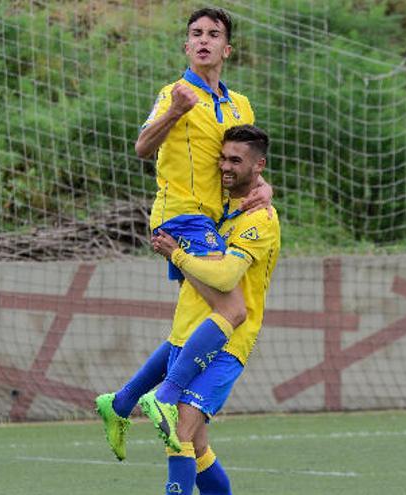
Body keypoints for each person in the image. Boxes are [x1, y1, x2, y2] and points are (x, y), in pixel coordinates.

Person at [95, 7, 270, 461]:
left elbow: (243, 159)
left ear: (226, 49)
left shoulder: (239, 104)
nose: (205, 40)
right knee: (232, 307)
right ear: (186, 46)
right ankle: (166, 396)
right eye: (196, 34)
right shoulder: (174, 92)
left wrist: (266, 186)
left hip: (213, 222)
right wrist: (173, 112)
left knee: (195, 322)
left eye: (214, 34)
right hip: (181, 215)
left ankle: (121, 402)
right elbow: (142, 147)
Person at [147, 124, 280, 495]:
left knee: (180, 430)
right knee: (196, 445)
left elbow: (225, 277)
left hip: (230, 342)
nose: (224, 166)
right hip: (198, 334)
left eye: (235, 160)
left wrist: (176, 253)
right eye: (222, 158)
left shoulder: (261, 219)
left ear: (259, 166)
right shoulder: (221, 206)